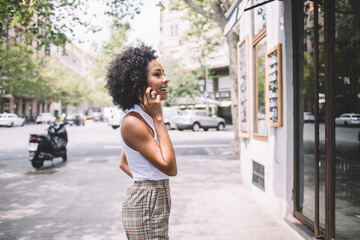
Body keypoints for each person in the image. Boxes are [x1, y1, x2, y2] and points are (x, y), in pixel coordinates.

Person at [105, 43, 177, 240]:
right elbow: (170, 168)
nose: (165, 79)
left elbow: (124, 162)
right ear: (139, 83)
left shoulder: (145, 116)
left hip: (153, 200)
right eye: (157, 74)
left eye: (164, 73)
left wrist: (147, 178)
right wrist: (147, 185)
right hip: (146, 205)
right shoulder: (134, 121)